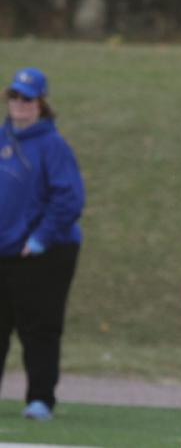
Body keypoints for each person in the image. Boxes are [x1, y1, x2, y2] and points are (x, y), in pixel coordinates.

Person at [0, 67, 85, 421]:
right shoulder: (4, 139)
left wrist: (39, 238)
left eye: (28, 98)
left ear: (41, 103)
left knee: (39, 327)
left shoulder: (52, 145)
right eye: (15, 96)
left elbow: (69, 198)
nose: (20, 104)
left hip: (44, 252)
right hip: (5, 249)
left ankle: (40, 400)